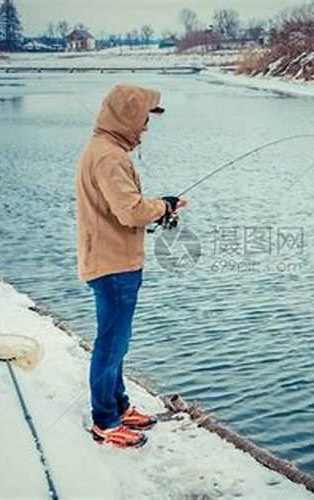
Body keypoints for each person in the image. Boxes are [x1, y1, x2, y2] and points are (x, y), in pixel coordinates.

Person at [75, 83, 187, 448]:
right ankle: (105, 420)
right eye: (142, 119)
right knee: (111, 343)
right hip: (112, 266)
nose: (145, 128)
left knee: (118, 342)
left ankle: (119, 405)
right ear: (125, 118)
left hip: (115, 260)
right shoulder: (109, 157)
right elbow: (130, 211)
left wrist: (158, 206)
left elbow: (120, 210)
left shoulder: (106, 150)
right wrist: (163, 206)